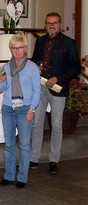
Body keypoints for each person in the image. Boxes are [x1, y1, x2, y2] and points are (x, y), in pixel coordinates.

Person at [30, 12, 81, 174]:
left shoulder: (69, 43)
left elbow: (75, 69)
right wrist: (35, 67)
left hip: (58, 89)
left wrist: (57, 78)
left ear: (60, 24)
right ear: (45, 25)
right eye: (49, 23)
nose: (52, 26)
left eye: (55, 23)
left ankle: (54, 160)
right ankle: (34, 159)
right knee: (36, 123)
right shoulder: (40, 41)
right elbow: (33, 60)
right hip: (40, 87)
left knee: (57, 125)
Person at [0, 33, 40, 189]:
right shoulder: (6, 67)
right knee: (8, 144)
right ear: (11, 49)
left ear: (26, 49)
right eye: (14, 48)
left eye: (20, 47)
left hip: (24, 109)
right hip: (8, 108)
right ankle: (8, 175)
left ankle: (22, 177)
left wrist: (31, 109)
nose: (17, 51)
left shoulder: (32, 67)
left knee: (24, 145)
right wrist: (1, 81)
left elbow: (37, 91)